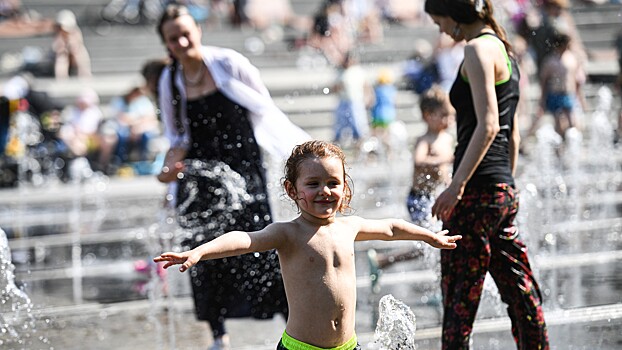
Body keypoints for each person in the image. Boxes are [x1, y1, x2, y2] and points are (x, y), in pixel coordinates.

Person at [154, 140, 462, 350]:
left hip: (347, 345)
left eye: (332, 183)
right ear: (292, 190)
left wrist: (429, 236)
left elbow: (391, 228)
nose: (324, 191)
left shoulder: (349, 227)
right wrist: (199, 251)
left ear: (345, 188)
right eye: (312, 184)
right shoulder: (288, 233)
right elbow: (244, 239)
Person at [154, 4, 310, 349]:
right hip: (201, 179)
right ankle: (218, 336)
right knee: (202, 255)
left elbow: (265, 109)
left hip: (244, 172)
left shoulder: (229, 63)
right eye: (172, 38)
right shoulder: (171, 80)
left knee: (263, 246)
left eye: (185, 32)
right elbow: (177, 137)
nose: (181, 41)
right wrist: (168, 171)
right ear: (166, 43)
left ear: (197, 30)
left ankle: (295, 328)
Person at [424, 0, 549, 349]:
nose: (441, 30)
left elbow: (489, 125)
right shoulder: (504, 49)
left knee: (459, 302)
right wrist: (506, 186)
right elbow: (514, 133)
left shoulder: (477, 49)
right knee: (522, 293)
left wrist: (457, 187)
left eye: (439, 21)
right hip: (499, 190)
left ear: (455, 13)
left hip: (476, 191)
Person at [368, 84, 454, 289]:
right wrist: (447, 158)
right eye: (443, 115)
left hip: (435, 196)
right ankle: (383, 261)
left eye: (451, 115)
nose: (449, 120)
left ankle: (441, 283)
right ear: (428, 115)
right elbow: (418, 160)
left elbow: (443, 174)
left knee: (439, 241)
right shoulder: (425, 140)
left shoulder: (447, 138)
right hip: (419, 198)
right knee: (431, 241)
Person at [535, 30, 587, 140]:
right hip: (555, 94)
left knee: (573, 123)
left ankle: (570, 148)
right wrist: (542, 99)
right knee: (559, 123)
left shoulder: (571, 58)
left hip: (569, 94)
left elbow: (576, 81)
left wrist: (581, 99)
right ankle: (559, 149)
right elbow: (544, 81)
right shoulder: (551, 61)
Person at [332, 51, 372, 148]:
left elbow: (366, 86)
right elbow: (334, 88)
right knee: (340, 124)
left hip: (356, 101)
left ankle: (361, 146)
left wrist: (368, 97)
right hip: (343, 101)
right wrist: (339, 87)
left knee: (358, 124)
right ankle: (336, 145)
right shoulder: (340, 71)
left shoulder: (358, 71)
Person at [52, 9, 92, 79]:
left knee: (81, 55)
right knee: (61, 59)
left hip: (75, 53)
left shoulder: (75, 32)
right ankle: (61, 79)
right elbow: (57, 47)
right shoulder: (59, 34)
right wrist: (64, 49)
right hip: (64, 54)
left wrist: (71, 49)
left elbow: (77, 46)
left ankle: (85, 77)